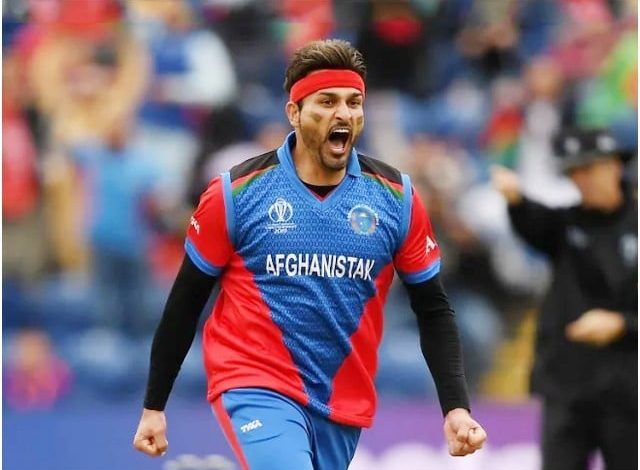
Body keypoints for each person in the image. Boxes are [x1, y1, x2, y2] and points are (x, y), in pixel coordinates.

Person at [133, 39, 486, 469]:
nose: (344, 114)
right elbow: (186, 300)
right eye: (327, 101)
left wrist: (456, 408)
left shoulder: (396, 198)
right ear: (294, 112)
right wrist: (154, 405)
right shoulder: (236, 193)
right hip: (254, 379)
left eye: (354, 102)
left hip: (341, 398)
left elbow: (433, 308)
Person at [491, 127, 637, 470]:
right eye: (574, 172)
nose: (581, 180)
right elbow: (534, 222)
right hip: (567, 385)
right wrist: (515, 199)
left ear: (614, 165)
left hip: (629, 389)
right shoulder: (566, 225)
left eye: (589, 169)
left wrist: (622, 324)